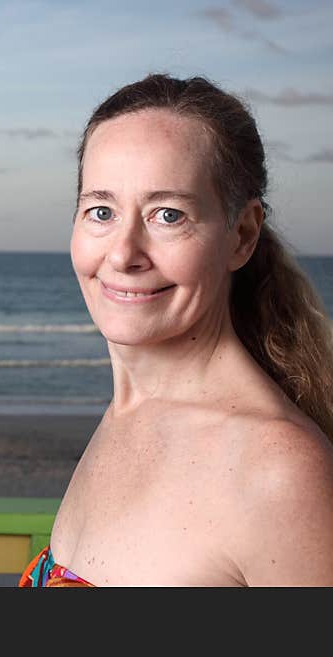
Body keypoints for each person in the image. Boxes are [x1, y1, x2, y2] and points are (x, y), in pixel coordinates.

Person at [20, 73, 333, 587]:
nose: (122, 254)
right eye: (101, 211)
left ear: (242, 235)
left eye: (168, 215)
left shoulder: (279, 472)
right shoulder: (130, 413)